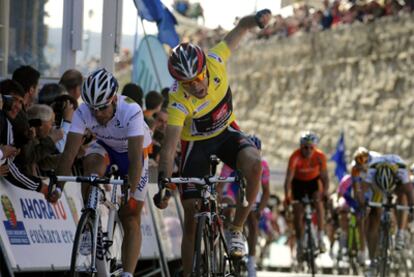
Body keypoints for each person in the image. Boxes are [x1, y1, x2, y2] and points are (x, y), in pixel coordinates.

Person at [152, 9, 271, 277]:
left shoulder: (216, 58)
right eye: (187, 82)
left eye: (197, 77)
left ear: (205, 67)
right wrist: (163, 181)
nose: (195, 86)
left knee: (254, 165)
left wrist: (258, 19)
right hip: (196, 147)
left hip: (227, 133)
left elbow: (241, 27)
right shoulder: (178, 99)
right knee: (192, 219)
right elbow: (170, 145)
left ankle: (236, 229)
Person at [50, 68, 152, 277]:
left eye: (102, 107)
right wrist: (58, 189)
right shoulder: (83, 112)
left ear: (114, 99)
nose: (97, 114)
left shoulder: (131, 110)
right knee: (91, 168)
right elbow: (69, 154)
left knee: (130, 216)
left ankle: (127, 273)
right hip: (105, 145)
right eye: (93, 108)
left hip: (134, 152)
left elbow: (134, 161)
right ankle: (90, 221)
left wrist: (128, 190)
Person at [219, 135, 270, 277]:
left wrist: (260, 210)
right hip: (232, 190)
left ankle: (251, 261)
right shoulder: (231, 162)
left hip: (250, 190)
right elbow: (221, 186)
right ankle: (230, 241)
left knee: (253, 220)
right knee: (227, 206)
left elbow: (266, 192)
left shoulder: (263, 165)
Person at [364, 154, 414, 276]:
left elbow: (409, 192)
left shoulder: (401, 170)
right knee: (373, 219)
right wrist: (364, 204)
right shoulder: (372, 169)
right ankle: (372, 261)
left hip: (397, 185)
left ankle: (400, 233)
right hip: (377, 187)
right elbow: (364, 188)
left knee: (403, 198)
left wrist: (412, 207)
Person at [284, 131, 329, 255]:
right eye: (305, 147)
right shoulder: (295, 157)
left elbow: (325, 178)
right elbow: (288, 180)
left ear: (315, 148)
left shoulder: (320, 156)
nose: (308, 150)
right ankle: (299, 242)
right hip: (297, 183)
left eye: (311, 148)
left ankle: (320, 237)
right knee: (297, 214)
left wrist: (325, 192)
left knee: (318, 203)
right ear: (300, 147)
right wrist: (287, 197)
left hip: (313, 183)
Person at [0, 79, 48, 194]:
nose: (17, 106)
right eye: (13, 99)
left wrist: (22, 140)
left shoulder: (6, 122)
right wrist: (40, 187)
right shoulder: (4, 121)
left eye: (21, 102)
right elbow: (10, 169)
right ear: (2, 98)